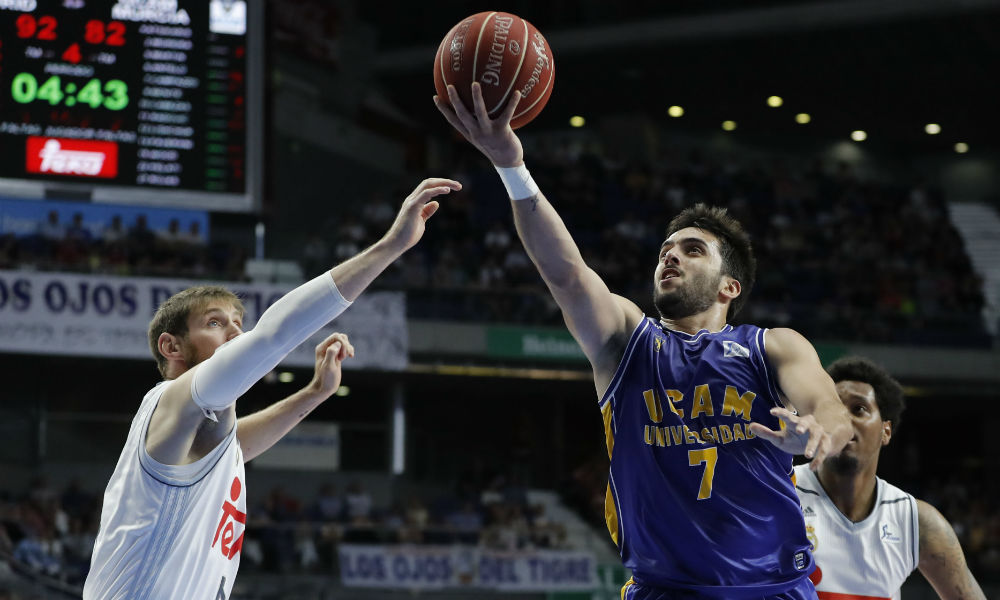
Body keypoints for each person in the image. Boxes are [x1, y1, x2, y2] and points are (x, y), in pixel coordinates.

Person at [435, 83, 852, 599]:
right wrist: (510, 166)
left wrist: (816, 436)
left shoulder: (772, 347)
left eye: (692, 250)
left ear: (730, 286)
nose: (670, 257)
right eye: (665, 250)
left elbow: (829, 407)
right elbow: (565, 274)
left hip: (774, 589)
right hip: (663, 589)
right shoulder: (627, 340)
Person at [82, 178, 460, 600]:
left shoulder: (200, 439)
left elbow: (236, 444)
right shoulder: (170, 400)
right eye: (215, 323)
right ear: (171, 346)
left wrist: (315, 392)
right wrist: (392, 245)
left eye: (237, 322)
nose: (234, 332)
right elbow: (272, 336)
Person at [794, 357, 985, 600]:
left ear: (886, 431)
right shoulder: (782, 492)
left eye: (858, 409)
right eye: (835, 409)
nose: (843, 420)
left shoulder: (916, 522)